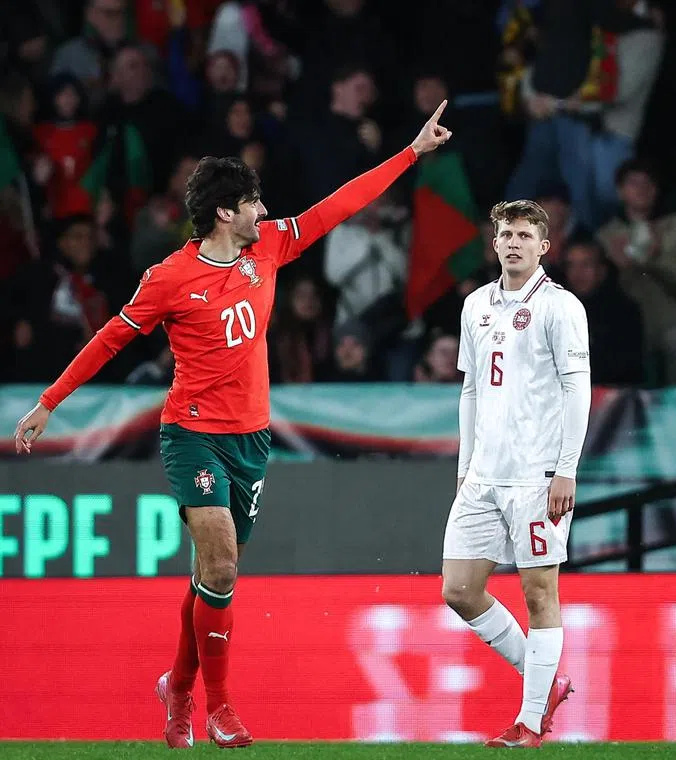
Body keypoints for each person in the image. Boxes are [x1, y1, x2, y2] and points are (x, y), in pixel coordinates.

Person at [12, 102, 453, 749]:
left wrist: (411, 152)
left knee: (213, 580)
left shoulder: (270, 248)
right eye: (253, 202)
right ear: (226, 212)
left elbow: (339, 206)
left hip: (252, 438)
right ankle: (220, 707)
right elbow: (110, 338)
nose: (264, 211)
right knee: (218, 566)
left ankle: (178, 690)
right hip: (190, 433)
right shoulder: (169, 278)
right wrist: (50, 400)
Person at [441, 200, 591, 748]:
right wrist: (464, 466)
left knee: (538, 591)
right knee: (459, 589)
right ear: (494, 241)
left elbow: (579, 390)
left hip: (537, 476)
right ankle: (546, 682)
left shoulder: (561, 306)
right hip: (483, 476)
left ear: (543, 246)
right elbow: (472, 389)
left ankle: (530, 722)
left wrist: (565, 472)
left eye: (524, 235)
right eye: (505, 234)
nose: (512, 243)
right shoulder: (475, 305)